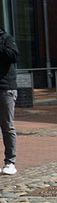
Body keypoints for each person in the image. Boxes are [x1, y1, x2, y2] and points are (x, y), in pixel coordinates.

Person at [0, 25, 18, 175]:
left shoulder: (6, 38)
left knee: (7, 125)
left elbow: (13, 56)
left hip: (6, 88)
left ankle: (10, 162)